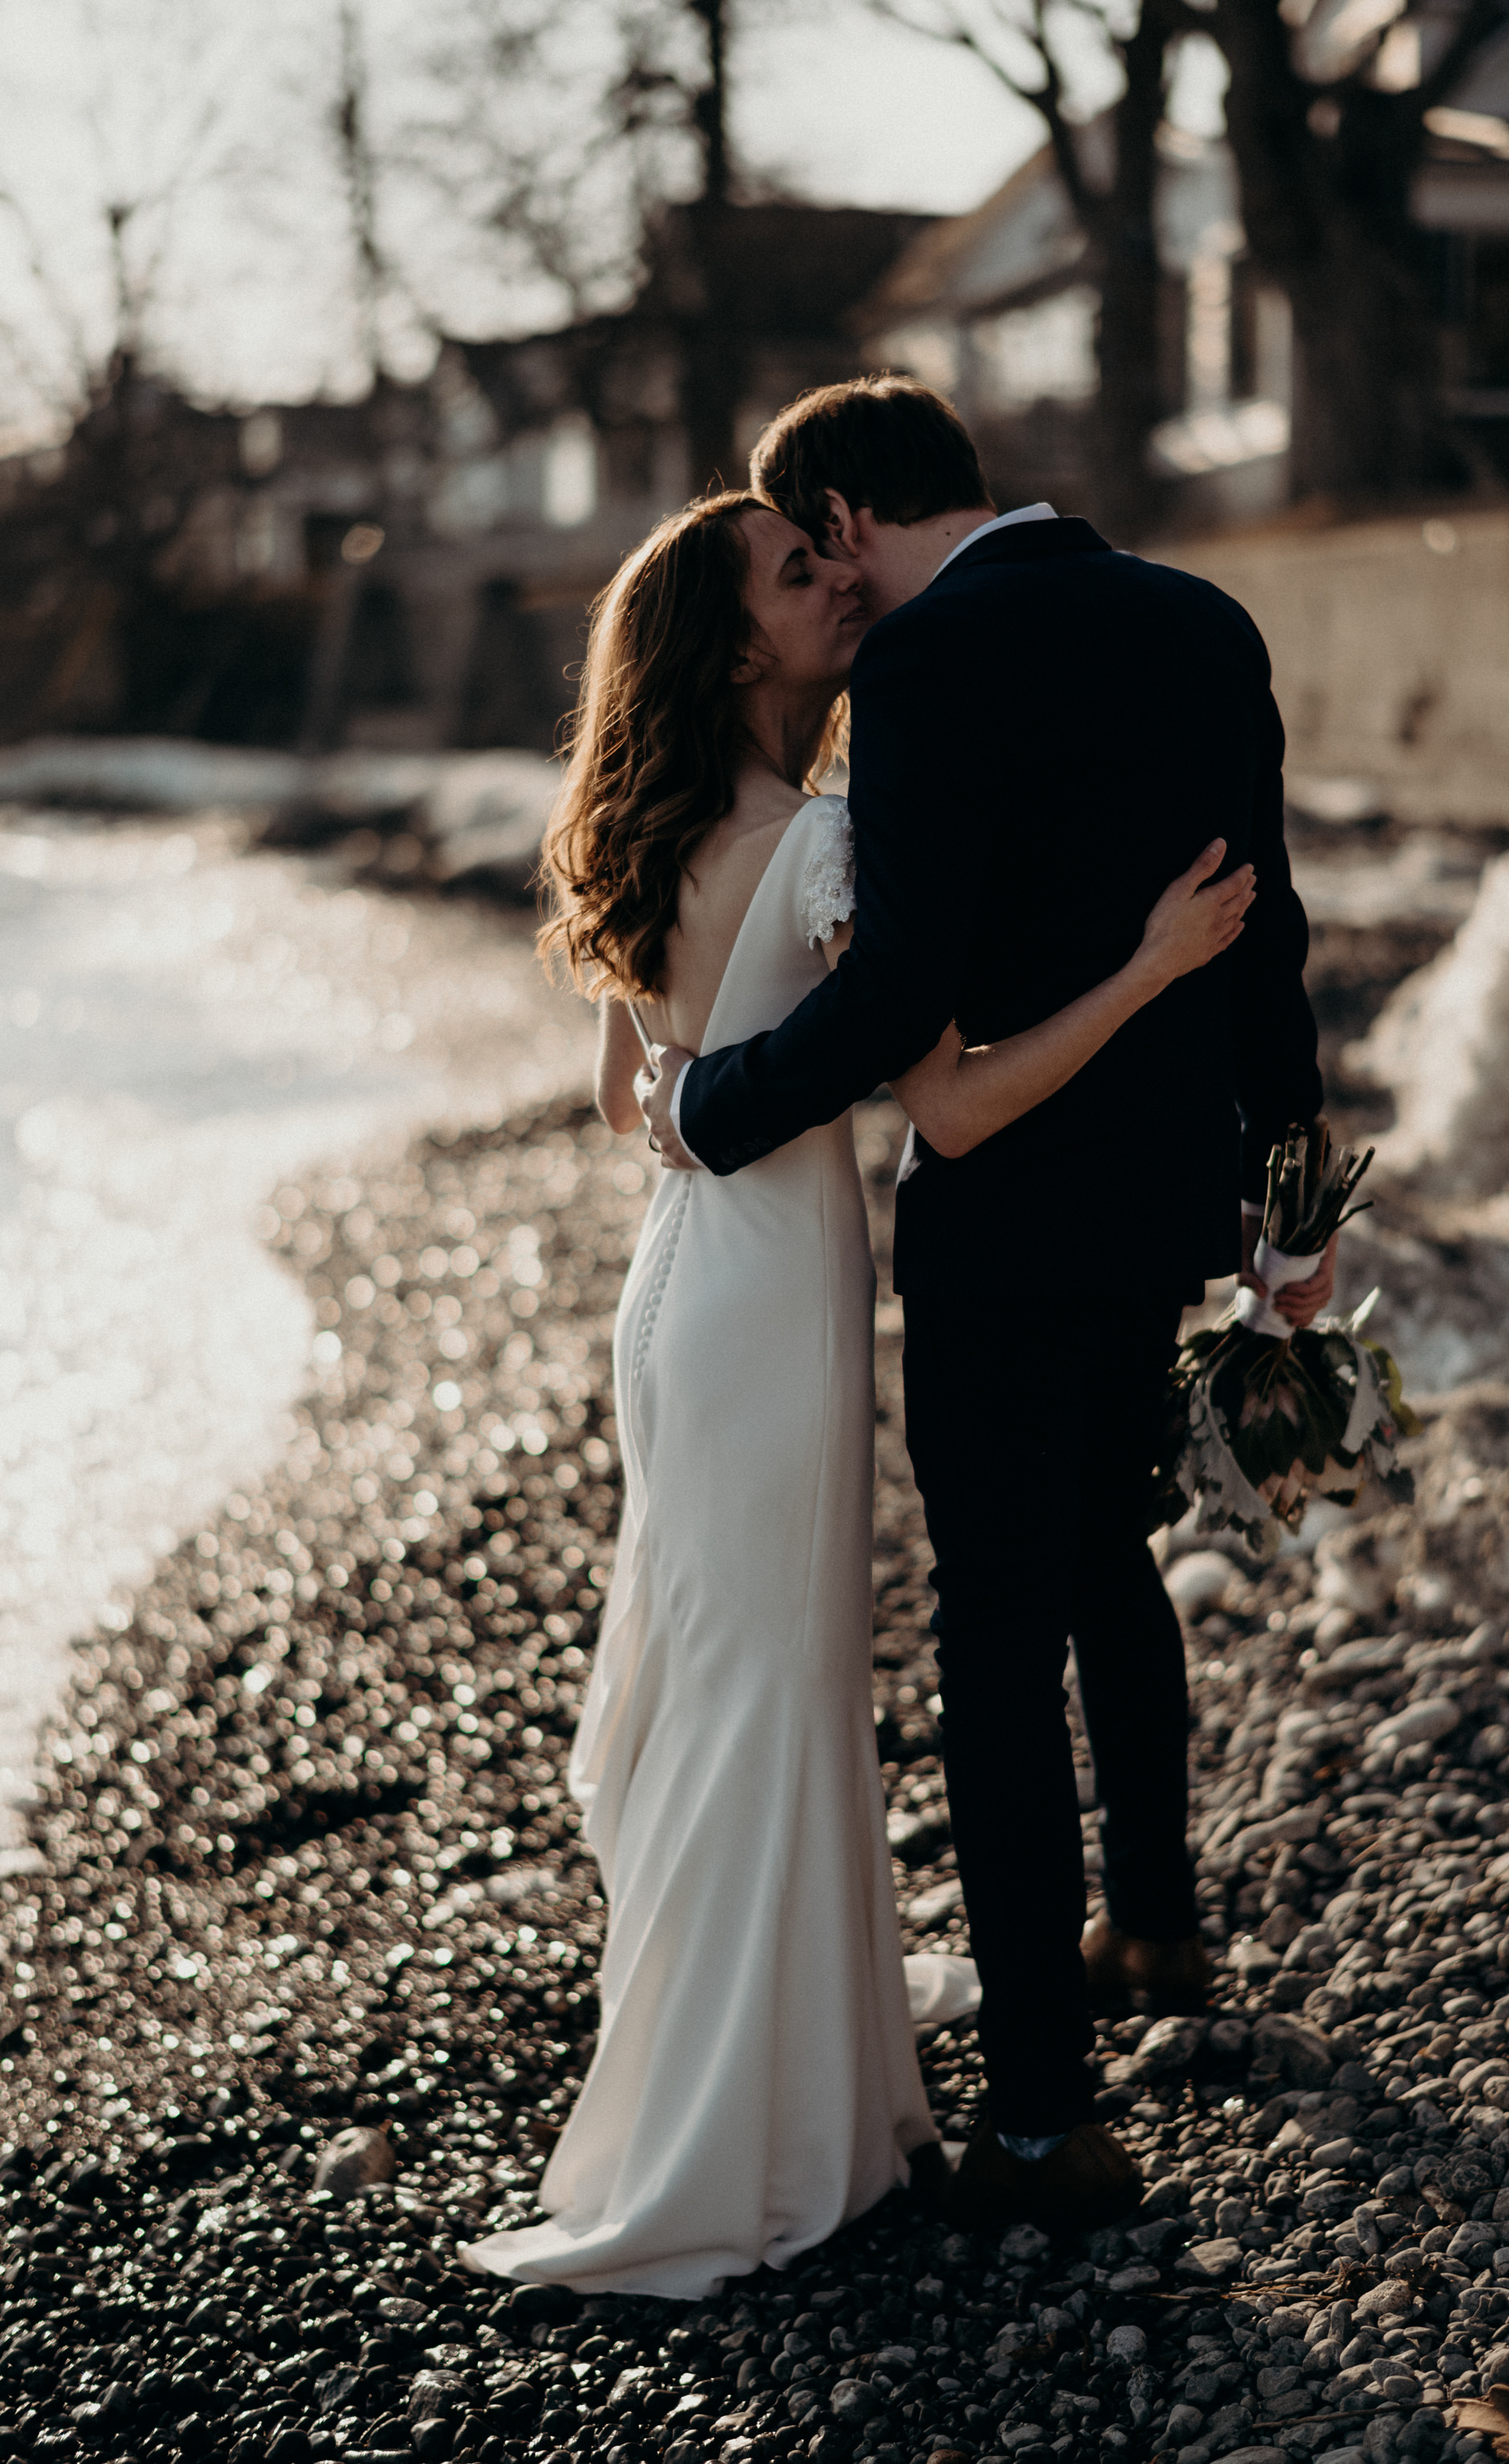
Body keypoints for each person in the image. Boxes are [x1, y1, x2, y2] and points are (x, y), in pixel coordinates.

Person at [459, 485, 1254, 2298]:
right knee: (776, 1700)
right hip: (769, 1319)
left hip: (673, 1297)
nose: (842, 586)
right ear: (736, 641)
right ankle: (744, 2136)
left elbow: (625, 1099)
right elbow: (957, 1108)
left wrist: (692, 1106)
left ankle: (764, 2100)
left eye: (833, 554)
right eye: (798, 572)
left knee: (737, 1688)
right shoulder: (822, 848)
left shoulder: (632, 829)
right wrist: (1145, 966)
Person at [640, 377, 1328, 2228]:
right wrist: (1291, 1205)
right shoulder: (1203, 619)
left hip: (1006, 1230)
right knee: (1112, 1558)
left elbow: (894, 1004)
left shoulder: (928, 672)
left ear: (848, 515)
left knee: (999, 1643)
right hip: (1172, 1211)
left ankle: (1041, 2111)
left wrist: (705, 1105)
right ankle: (1161, 1927)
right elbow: (1271, 931)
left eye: (815, 547)